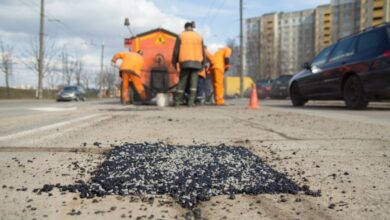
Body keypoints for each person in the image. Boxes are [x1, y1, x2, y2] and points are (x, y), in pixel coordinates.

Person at [172, 22, 205, 107]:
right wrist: (203, 63)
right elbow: (203, 51)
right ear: (191, 28)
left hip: (185, 62)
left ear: (185, 28)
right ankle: (191, 103)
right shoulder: (199, 36)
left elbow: (176, 50)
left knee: (182, 82)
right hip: (197, 62)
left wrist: (174, 62)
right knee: (193, 83)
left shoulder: (181, 35)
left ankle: (177, 102)